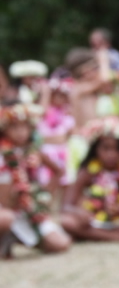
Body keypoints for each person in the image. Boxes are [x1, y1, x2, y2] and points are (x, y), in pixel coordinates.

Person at [61, 117, 119, 241]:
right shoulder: (88, 171)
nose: (112, 154)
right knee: (67, 222)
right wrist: (80, 213)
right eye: (106, 149)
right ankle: (118, 237)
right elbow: (66, 205)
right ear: (96, 150)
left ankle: (96, 236)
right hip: (94, 221)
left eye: (117, 149)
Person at [0, 103, 71, 256]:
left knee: (61, 244)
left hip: (30, 210)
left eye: (23, 127)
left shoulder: (34, 151)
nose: (20, 132)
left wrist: (45, 195)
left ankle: (15, 238)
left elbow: (59, 171)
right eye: (14, 127)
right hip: (6, 210)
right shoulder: (3, 153)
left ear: (30, 128)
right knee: (5, 218)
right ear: (4, 129)